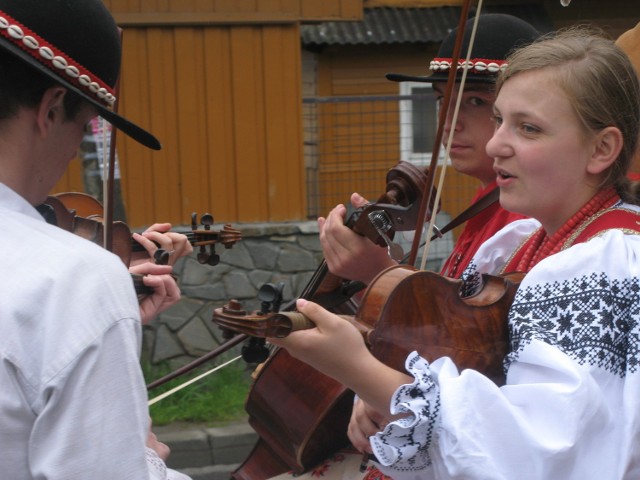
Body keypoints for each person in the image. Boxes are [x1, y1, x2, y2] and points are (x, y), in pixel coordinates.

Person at [270, 27, 640, 479]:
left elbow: (537, 450)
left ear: (602, 148)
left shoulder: (598, 266)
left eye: (528, 128)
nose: (495, 144)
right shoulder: (529, 240)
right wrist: (389, 395)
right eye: (500, 119)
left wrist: (360, 371)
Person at [0, 1, 191, 478]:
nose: (72, 152)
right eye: (83, 127)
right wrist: (146, 452)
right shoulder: (75, 281)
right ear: (51, 108)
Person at [319, 14, 540, 285]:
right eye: (441, 99)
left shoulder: (528, 219)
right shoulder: (489, 199)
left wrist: (379, 273)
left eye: (475, 101)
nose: (449, 122)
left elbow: (465, 326)